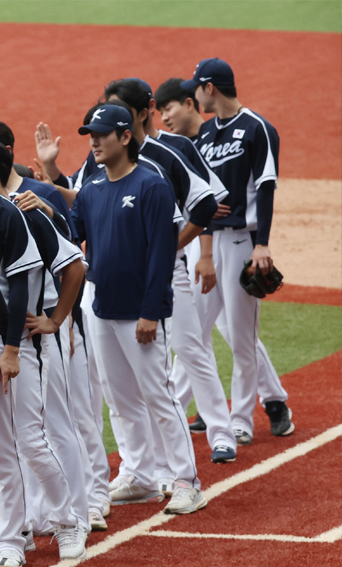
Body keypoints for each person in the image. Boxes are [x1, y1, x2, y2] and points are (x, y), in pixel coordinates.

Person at [69, 103, 205, 515]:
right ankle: (141, 475)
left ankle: (187, 481)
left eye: (102, 134)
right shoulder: (92, 189)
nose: (93, 141)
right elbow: (74, 236)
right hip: (101, 307)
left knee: (159, 395)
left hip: (139, 312)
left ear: (125, 136)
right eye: (90, 134)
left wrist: (152, 311)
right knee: (120, 397)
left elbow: (162, 255)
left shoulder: (151, 186)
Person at [102, 79, 237, 466]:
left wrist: (174, 249)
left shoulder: (172, 150)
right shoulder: (109, 155)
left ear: (143, 112)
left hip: (168, 272)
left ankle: (221, 434)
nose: (112, 121)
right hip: (126, 278)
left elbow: (208, 203)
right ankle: (150, 460)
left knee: (191, 348)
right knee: (130, 370)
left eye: (120, 112)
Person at [167, 66, 295, 442]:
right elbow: (205, 195)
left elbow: (267, 186)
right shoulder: (205, 134)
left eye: (198, 91)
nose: (196, 98)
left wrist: (263, 244)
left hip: (243, 241)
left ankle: (240, 418)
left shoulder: (257, 127)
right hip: (209, 247)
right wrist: (203, 251)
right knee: (193, 332)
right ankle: (178, 407)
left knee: (241, 337)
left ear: (210, 88)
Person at [0, 141, 90, 558]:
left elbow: (75, 264)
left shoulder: (24, 211)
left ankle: (72, 518)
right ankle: (17, 533)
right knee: (2, 447)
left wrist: (56, 319)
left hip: (31, 340)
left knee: (41, 436)